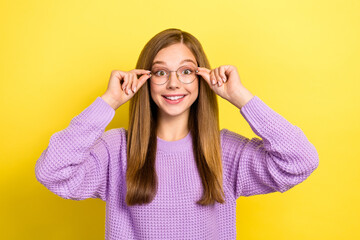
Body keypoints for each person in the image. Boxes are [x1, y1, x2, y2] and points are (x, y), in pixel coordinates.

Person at [34, 28, 319, 240]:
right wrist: (108, 102)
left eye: (186, 71)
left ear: (201, 79)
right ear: (146, 80)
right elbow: (51, 171)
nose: (173, 83)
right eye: (160, 73)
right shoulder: (117, 149)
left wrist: (240, 96)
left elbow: (301, 161)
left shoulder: (224, 151)